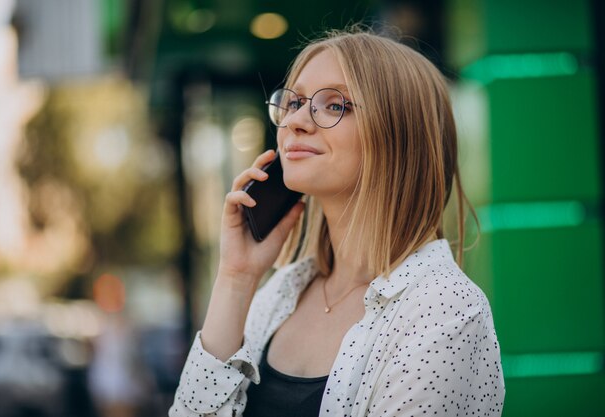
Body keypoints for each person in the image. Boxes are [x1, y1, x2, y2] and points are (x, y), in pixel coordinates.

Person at [170, 27, 505, 417]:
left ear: (398, 136)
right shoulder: (279, 296)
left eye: (335, 106)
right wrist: (236, 277)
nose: (295, 121)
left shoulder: (443, 308)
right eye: (293, 103)